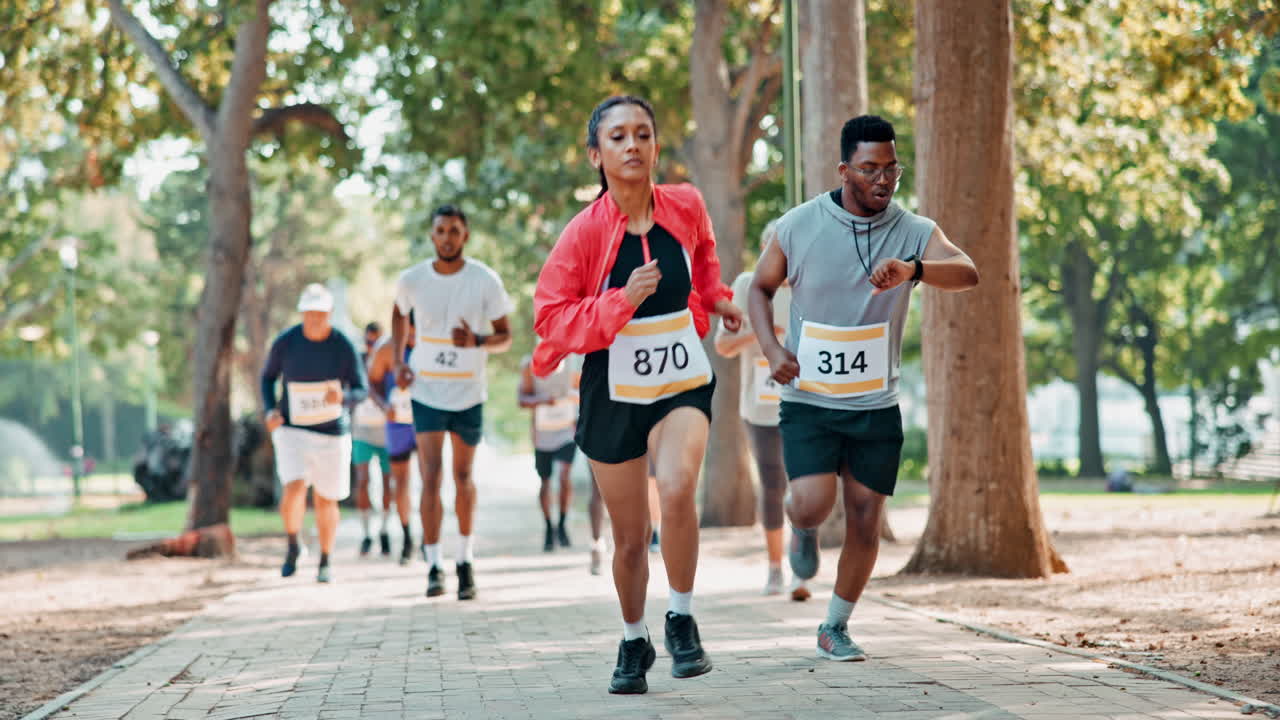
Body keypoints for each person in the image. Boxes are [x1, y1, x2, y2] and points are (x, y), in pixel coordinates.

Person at [533, 95, 743, 695]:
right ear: (596, 154)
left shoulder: (686, 206)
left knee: (676, 488)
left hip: (680, 379)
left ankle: (681, 617)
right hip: (613, 390)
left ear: (655, 144)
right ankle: (633, 638)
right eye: (618, 137)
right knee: (628, 538)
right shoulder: (582, 236)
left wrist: (720, 300)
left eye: (643, 134)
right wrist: (621, 300)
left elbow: (703, 267)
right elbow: (551, 319)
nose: (632, 145)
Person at [749, 115, 979, 661]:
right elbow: (758, 290)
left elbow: (968, 271)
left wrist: (915, 270)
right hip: (809, 400)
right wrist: (774, 351)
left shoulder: (914, 230)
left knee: (864, 515)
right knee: (809, 504)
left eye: (892, 168)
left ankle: (835, 625)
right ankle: (801, 530)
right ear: (844, 169)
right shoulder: (798, 226)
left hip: (876, 402)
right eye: (870, 168)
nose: (883, 179)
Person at [392, 205, 513, 600]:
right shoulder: (412, 280)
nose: (447, 237)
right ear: (432, 236)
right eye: (441, 230)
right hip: (427, 392)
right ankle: (432, 565)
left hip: (467, 393)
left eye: (455, 230)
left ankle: (464, 561)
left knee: (463, 478)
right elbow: (398, 312)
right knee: (430, 475)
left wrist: (476, 340)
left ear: (466, 235)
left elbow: (505, 336)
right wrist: (398, 361)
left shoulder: (484, 281)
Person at [714, 220, 809, 601]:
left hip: (804, 402)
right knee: (773, 484)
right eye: (773, 246)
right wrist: (765, 335)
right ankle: (775, 569)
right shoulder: (744, 286)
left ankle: (802, 568)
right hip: (760, 407)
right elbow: (723, 345)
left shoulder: (808, 286)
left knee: (805, 483)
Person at [261, 283, 368, 583]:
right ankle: (294, 544)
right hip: (292, 429)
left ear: (329, 314)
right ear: (302, 313)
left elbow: (361, 389)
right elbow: (267, 377)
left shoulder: (342, 346)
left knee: (326, 499)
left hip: (332, 433)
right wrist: (270, 409)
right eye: (309, 314)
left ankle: (325, 558)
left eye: (320, 314)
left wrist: (343, 398)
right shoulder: (286, 342)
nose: (314, 320)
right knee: (294, 487)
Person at [367, 314, 419, 565]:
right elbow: (372, 384)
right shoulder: (386, 348)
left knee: (432, 478)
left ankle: (433, 540)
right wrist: (384, 405)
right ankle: (408, 538)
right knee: (402, 483)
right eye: (408, 332)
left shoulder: (434, 344)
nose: (413, 338)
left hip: (428, 421)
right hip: (398, 424)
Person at [518, 352, 579, 552]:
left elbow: (584, 390)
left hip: (566, 431)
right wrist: (543, 399)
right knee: (545, 481)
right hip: (542, 434)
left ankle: (562, 524)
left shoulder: (573, 360)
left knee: (564, 475)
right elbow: (522, 399)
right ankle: (548, 527)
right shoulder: (529, 363)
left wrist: (574, 399)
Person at [351, 322, 392, 556]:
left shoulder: (388, 359)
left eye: (376, 342)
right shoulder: (357, 361)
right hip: (362, 430)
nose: (371, 346)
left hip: (387, 430)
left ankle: (385, 530)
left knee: (389, 483)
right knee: (363, 481)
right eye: (368, 342)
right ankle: (366, 533)